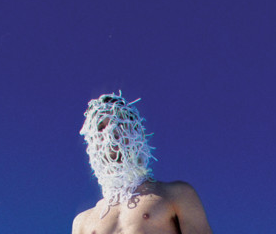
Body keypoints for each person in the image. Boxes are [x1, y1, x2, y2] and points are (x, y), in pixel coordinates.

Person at [72, 93, 213, 234]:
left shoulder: (176, 194)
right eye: (101, 127)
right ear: (91, 139)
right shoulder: (83, 221)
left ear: (135, 131)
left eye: (119, 124)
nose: (111, 132)